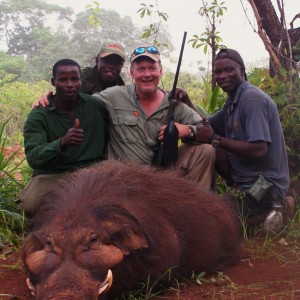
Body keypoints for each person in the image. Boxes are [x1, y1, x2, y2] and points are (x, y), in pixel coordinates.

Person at [34, 46, 216, 191]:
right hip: (125, 180)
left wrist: (186, 130)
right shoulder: (114, 96)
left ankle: (195, 206)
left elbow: (206, 130)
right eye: (141, 69)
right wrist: (50, 95)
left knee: (205, 151)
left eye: (152, 68)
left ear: (160, 71)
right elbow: (80, 100)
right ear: (131, 73)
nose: (147, 74)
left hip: (166, 174)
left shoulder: (174, 103)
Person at [195, 48, 295, 234]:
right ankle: (251, 211)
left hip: (266, 184)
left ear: (242, 71)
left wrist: (214, 139)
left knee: (216, 220)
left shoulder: (252, 99)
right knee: (212, 148)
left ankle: (277, 206)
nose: (223, 76)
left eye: (229, 70)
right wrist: (185, 101)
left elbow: (259, 150)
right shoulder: (232, 102)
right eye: (218, 72)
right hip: (243, 181)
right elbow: (204, 126)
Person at [19, 59, 109, 216]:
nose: (69, 84)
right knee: (30, 205)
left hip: (92, 169)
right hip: (54, 173)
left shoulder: (96, 105)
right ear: (53, 82)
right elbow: (33, 157)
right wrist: (61, 143)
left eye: (74, 79)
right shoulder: (39, 114)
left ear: (81, 81)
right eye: (63, 79)